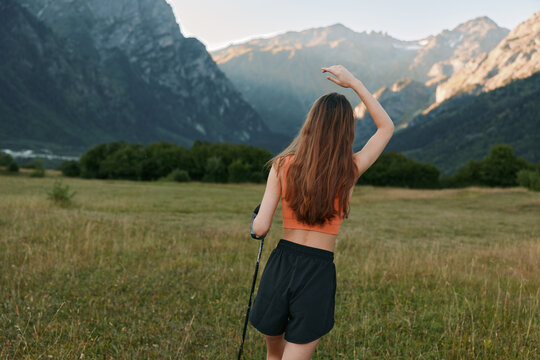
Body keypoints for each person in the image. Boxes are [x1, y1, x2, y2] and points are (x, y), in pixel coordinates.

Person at [249, 64, 395, 360]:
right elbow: (386, 128)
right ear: (347, 130)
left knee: (272, 355)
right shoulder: (349, 169)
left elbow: (261, 228)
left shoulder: (281, 165)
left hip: (281, 264)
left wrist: (255, 224)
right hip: (317, 270)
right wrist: (354, 83)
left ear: (310, 124)